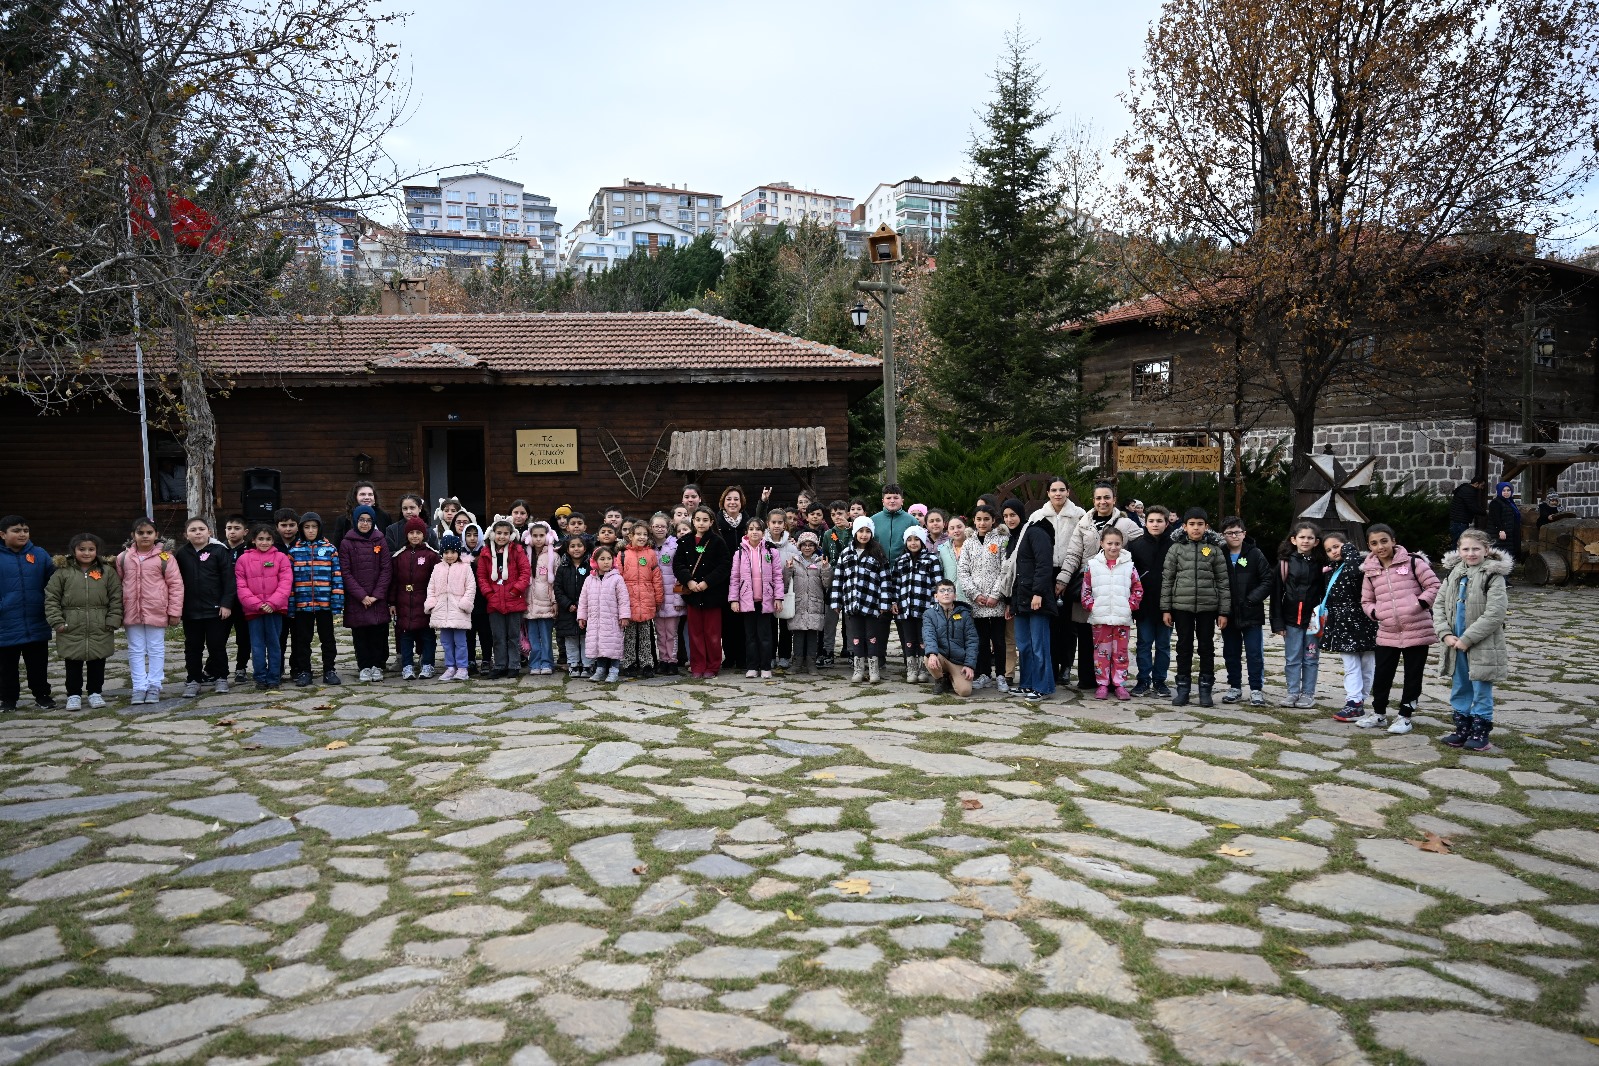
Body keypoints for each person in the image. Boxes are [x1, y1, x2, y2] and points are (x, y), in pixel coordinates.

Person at [1061, 481, 1143, 690]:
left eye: (1106, 497)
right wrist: (1062, 579)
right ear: (1093, 500)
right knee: (1086, 634)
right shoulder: (1084, 523)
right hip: (1088, 583)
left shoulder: (1125, 524)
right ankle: (1089, 678)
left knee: (1114, 639)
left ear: (1114, 499)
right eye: (1098, 498)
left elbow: (1144, 543)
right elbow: (1073, 554)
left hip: (1114, 588)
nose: (1102, 501)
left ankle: (1115, 681)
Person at [1434, 528, 1510, 751]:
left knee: (1481, 687)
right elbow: (1438, 605)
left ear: (1486, 550)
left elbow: (1496, 612)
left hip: (1481, 644)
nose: (1471, 553)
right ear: (1458, 550)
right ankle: (1462, 728)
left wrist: (1468, 638)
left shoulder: (1493, 576)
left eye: (1476, 548)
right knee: (1460, 686)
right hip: (1454, 644)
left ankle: (1480, 732)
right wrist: (1445, 633)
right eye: (1465, 549)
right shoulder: (1454, 574)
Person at [1359, 523, 1440, 733]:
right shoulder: (1370, 571)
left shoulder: (1413, 562)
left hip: (1417, 629)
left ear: (1394, 541)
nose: (1380, 546)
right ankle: (1378, 714)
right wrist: (1377, 614)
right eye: (1374, 543)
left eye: (1384, 541)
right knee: (1382, 674)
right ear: (1369, 546)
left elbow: (1434, 586)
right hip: (1387, 631)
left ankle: (1405, 716)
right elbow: (1366, 601)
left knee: (1413, 675)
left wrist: (1419, 605)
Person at [1161, 508, 1230, 707]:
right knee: (1184, 648)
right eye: (1191, 524)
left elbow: (1223, 581)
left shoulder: (1214, 549)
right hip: (1181, 607)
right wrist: (1166, 608)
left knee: (1206, 648)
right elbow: (1167, 579)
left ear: (1206, 527)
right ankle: (1183, 688)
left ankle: (1205, 689)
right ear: (1184, 526)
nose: (1196, 528)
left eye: (1200, 524)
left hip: (1208, 607)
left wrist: (1223, 611)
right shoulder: (1176, 549)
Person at [44, 532, 120, 711]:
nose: (86, 553)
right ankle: (74, 695)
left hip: (99, 624)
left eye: (91, 549)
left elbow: (116, 596)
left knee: (97, 662)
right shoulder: (63, 572)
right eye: (82, 549)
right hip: (71, 625)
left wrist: (113, 619)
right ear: (73, 550)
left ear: (97, 551)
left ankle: (95, 693)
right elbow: (51, 597)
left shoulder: (106, 571)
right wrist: (57, 621)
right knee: (73, 663)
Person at [118, 517, 184, 705]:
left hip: (157, 609)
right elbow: (119, 583)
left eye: (149, 533)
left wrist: (174, 611)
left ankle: (154, 684)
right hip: (132, 610)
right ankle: (139, 686)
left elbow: (176, 585)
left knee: (155, 648)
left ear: (156, 535)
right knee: (135, 649)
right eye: (140, 533)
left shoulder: (165, 558)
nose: (145, 536)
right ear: (133, 535)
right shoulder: (123, 558)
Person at [1030, 477, 1085, 686]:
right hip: (1046, 571)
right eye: (1054, 490)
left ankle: (1067, 665)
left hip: (1071, 572)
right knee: (1051, 621)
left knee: (1068, 623)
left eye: (1062, 490)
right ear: (1048, 493)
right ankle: (1051, 666)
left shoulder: (1080, 515)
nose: (1058, 494)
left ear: (1068, 492)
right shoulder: (1038, 516)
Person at [175, 517, 236, 697]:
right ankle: (193, 679)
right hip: (191, 611)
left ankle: (221, 677)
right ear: (186, 534)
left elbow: (229, 580)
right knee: (193, 646)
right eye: (193, 530)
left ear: (209, 532)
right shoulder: (181, 554)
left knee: (217, 645)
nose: (198, 532)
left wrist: (226, 604)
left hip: (215, 610)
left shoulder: (219, 551)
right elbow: (174, 581)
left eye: (201, 529)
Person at [1324, 531, 1380, 723]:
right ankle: (1353, 700)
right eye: (1329, 549)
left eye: (1337, 546)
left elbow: (1355, 572)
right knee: (1350, 664)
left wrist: (1349, 551)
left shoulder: (1359, 565)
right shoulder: (1331, 571)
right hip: (1342, 624)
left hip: (1364, 622)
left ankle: (1361, 698)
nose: (1333, 551)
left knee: (1367, 663)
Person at [1081, 526, 1144, 700]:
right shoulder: (1092, 566)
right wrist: (1091, 606)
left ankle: (1119, 684)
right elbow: (1085, 589)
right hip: (1100, 618)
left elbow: (1137, 588)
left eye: (1117, 544)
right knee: (1101, 653)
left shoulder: (1129, 566)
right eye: (1109, 543)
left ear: (1122, 545)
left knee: (1121, 653)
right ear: (1102, 543)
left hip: (1122, 618)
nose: (1113, 547)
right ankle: (1102, 683)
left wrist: (1130, 605)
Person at [1272, 521, 1329, 709]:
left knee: (1311, 657)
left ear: (1316, 542)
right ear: (1293, 540)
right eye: (1302, 537)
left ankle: (1308, 694)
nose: (1306, 541)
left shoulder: (1322, 565)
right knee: (1292, 658)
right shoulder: (1284, 563)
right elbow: (1277, 594)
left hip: (1313, 621)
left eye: (1310, 538)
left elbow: (1325, 593)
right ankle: (1293, 692)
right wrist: (1277, 623)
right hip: (1290, 619)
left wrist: (1325, 620)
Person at [832, 516, 893, 683]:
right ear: (855, 533)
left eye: (867, 531)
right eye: (861, 531)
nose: (864, 535)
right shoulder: (846, 553)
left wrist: (885, 603)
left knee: (872, 636)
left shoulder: (878, 554)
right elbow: (839, 579)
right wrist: (837, 602)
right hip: (852, 604)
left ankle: (874, 669)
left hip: (871, 603)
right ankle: (858, 669)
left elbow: (886, 580)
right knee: (856, 637)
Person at [1010, 496, 1059, 703]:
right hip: (1021, 600)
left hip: (1036, 598)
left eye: (1013, 515)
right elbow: (1015, 572)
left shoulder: (1036, 532)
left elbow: (1044, 564)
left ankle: (1044, 686)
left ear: (1023, 515)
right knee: (1024, 645)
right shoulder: (1017, 536)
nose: (1009, 519)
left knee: (1039, 645)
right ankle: (1027, 683)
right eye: (1005, 516)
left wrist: (1038, 593)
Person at [1217, 517, 1270, 706]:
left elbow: (1267, 580)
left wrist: (1251, 599)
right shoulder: (1219, 554)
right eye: (1229, 533)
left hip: (1251, 612)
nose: (1234, 536)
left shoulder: (1255, 554)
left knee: (1254, 652)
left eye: (1237, 532)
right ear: (1223, 536)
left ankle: (1256, 688)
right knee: (1231, 651)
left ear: (1244, 533)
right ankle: (1234, 687)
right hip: (1228, 613)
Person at [287, 511, 343, 686]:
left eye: (314, 527)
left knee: (327, 638)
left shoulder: (330, 549)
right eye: (307, 527)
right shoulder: (294, 551)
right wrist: (291, 603)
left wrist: (337, 601)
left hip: (324, 604)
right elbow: (288, 581)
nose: (310, 531)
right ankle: (305, 671)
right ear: (301, 529)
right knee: (303, 639)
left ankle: (329, 670)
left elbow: (337, 577)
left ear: (320, 528)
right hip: (302, 604)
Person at [235, 524, 293, 689]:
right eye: (260, 538)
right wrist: (258, 605)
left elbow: (285, 583)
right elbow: (241, 586)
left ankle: (274, 677)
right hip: (254, 611)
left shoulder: (281, 558)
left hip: (275, 610)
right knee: (257, 644)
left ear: (273, 540)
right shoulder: (243, 560)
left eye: (268, 539)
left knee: (274, 643)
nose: (264, 542)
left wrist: (272, 603)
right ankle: (260, 677)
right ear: (253, 540)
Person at [339, 504, 392, 682]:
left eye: (369, 520)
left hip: (377, 597)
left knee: (378, 633)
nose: (365, 523)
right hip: (357, 599)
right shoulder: (347, 542)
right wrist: (361, 595)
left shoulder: (380, 540)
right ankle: (364, 666)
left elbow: (386, 569)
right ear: (355, 521)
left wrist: (376, 594)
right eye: (361, 520)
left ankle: (377, 665)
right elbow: (345, 572)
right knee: (360, 635)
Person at [958, 504, 1009, 692]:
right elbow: (963, 570)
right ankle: (984, 674)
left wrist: (996, 595)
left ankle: (1001, 675)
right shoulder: (968, 542)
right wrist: (975, 594)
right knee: (981, 640)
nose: (982, 523)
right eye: (979, 519)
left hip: (996, 600)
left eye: (986, 519)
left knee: (998, 640)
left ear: (993, 520)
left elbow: (1005, 569)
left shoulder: (1002, 540)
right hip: (977, 601)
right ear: (974, 521)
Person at [675, 506, 730, 679]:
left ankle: (713, 666)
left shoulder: (718, 542)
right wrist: (689, 581)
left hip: (712, 595)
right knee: (695, 633)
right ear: (693, 521)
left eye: (705, 520)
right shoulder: (684, 542)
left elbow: (724, 566)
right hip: (693, 595)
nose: (701, 523)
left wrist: (707, 582)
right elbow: (678, 565)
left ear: (711, 522)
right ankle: (697, 665)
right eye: (698, 519)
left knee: (712, 633)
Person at [730, 517, 784, 680]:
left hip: (765, 600)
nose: (755, 532)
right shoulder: (739, 553)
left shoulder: (771, 551)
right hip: (747, 600)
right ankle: (752, 666)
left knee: (765, 636)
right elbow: (735, 577)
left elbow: (777, 576)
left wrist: (778, 597)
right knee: (750, 636)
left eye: (758, 529)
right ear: (746, 532)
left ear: (763, 532)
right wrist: (734, 599)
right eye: (751, 529)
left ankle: (766, 666)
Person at [1129, 506, 1175, 698]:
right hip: (1144, 604)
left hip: (1167, 605)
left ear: (1167, 522)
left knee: (1163, 645)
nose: (1155, 524)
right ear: (1145, 523)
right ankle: (1143, 679)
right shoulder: (1135, 545)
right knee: (1144, 643)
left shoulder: (1175, 545)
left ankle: (1160, 680)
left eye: (1159, 521)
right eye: (1151, 521)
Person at [477, 519, 529, 679]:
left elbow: (525, 572)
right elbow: (482, 577)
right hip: (494, 602)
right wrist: (489, 594)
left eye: (506, 533)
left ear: (511, 535)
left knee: (513, 636)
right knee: (498, 636)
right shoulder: (485, 553)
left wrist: (515, 590)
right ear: (493, 534)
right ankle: (500, 665)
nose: (502, 536)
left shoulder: (517, 551)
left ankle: (514, 665)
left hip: (513, 600)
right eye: (499, 533)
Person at [892, 526, 944, 683]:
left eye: (916, 540)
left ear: (922, 541)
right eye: (909, 540)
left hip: (924, 608)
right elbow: (895, 584)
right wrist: (894, 601)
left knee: (923, 639)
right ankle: (911, 668)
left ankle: (923, 668)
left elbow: (938, 583)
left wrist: (936, 604)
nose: (913, 543)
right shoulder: (900, 561)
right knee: (908, 639)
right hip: (905, 608)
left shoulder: (931, 559)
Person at [390, 516, 439, 680]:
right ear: (407, 534)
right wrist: (392, 602)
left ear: (424, 534)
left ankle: (428, 664)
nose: (415, 536)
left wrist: (435, 602)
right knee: (405, 636)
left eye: (418, 532)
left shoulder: (432, 555)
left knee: (427, 636)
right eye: (411, 532)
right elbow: (394, 581)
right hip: (404, 602)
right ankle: (407, 666)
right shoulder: (399, 556)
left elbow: (436, 581)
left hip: (425, 602)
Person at [426, 533, 477, 680]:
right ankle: (450, 667)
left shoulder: (465, 568)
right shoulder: (437, 568)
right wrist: (432, 603)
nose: (450, 555)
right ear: (442, 553)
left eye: (453, 552)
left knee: (460, 642)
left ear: (458, 552)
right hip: (442, 611)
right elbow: (431, 587)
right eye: (446, 552)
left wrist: (464, 603)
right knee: (446, 641)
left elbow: (471, 587)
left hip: (459, 611)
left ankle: (462, 668)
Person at [578, 544, 630, 683]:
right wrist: (582, 616)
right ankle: (600, 670)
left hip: (612, 620)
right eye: (602, 559)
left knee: (613, 645)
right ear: (595, 561)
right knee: (599, 645)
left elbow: (623, 599)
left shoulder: (617, 579)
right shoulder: (589, 580)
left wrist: (624, 616)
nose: (606, 562)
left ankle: (614, 670)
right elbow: (583, 600)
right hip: (595, 620)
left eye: (609, 559)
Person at [619, 522, 664, 678]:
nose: (642, 537)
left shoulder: (650, 554)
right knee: (629, 636)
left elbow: (656, 578)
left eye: (645, 534)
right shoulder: (622, 555)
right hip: (629, 602)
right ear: (631, 536)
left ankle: (647, 664)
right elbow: (618, 581)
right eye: (638, 534)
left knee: (646, 636)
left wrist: (658, 599)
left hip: (646, 601)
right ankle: (629, 663)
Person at [785, 532, 831, 675]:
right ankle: (797, 662)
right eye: (804, 545)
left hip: (814, 604)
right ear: (799, 546)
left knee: (812, 635)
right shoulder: (794, 561)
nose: (807, 547)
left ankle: (811, 663)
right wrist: (788, 570)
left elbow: (826, 584)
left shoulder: (819, 562)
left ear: (815, 547)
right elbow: (785, 583)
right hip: (799, 604)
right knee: (798, 635)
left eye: (811, 545)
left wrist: (826, 569)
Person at [923, 579, 979, 696]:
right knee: (928, 658)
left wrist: (969, 665)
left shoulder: (965, 614)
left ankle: (950, 677)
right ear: (936, 596)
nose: (946, 593)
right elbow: (929, 636)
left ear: (955, 596)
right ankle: (940, 679)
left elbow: (972, 641)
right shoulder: (929, 614)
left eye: (949, 590)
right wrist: (932, 654)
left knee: (965, 692)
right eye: (942, 591)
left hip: (958, 660)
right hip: (941, 656)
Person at [555, 535, 592, 678]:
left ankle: (587, 664)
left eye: (579, 546)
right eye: (572, 546)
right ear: (567, 549)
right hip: (567, 611)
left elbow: (593, 587)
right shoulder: (563, 568)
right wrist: (568, 604)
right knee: (570, 638)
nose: (576, 549)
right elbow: (557, 588)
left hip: (586, 609)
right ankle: (574, 664)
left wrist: (582, 605)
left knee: (585, 637)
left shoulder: (590, 566)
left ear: (585, 547)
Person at [651, 514, 684, 676]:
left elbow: (679, 574)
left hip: (672, 596)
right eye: (656, 526)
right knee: (660, 632)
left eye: (662, 526)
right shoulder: (648, 547)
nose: (659, 529)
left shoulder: (675, 545)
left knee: (672, 632)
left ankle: (672, 660)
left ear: (668, 527)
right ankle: (662, 659)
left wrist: (679, 598)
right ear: (651, 527)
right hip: (656, 598)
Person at [524, 521, 558, 676]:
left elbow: (556, 581)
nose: (538, 539)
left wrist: (555, 601)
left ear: (548, 536)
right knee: (532, 637)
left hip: (546, 603)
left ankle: (547, 662)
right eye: (535, 536)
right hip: (529, 604)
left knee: (546, 636)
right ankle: (535, 663)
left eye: (541, 535)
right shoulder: (525, 554)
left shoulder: (553, 556)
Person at [222, 514, 252, 683]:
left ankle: (241, 667)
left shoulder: (249, 551)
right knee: (219, 637)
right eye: (229, 528)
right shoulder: (219, 550)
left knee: (243, 637)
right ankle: (218, 668)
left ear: (245, 531)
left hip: (243, 602)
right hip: (224, 602)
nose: (232, 532)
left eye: (236, 528)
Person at [331, 481, 391, 549]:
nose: (367, 497)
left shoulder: (384, 516)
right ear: (355, 497)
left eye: (370, 494)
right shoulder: (343, 520)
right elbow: (337, 547)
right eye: (362, 494)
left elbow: (389, 543)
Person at [872, 483, 916, 565]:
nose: (892, 501)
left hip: (904, 568)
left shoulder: (912, 521)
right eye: (888, 498)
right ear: (883, 501)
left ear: (902, 501)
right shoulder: (873, 520)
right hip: (878, 567)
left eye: (896, 498)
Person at [1487, 482, 1522, 563]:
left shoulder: (1510, 502)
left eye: (1508, 490)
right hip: (1500, 533)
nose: (1506, 492)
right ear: (1499, 491)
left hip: (1509, 533)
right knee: (1500, 554)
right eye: (1504, 491)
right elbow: (1496, 519)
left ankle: (1507, 572)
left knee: (1508, 554)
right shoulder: (1496, 503)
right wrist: (1501, 530)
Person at [1447, 475, 1487, 542]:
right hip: (1459, 523)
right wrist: (1485, 512)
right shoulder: (1468, 491)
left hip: (1458, 522)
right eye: (1481, 485)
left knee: (1458, 543)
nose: (1482, 488)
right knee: (1459, 544)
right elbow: (1473, 507)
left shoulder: (1466, 489)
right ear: (1476, 483)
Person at [938, 515, 967, 600]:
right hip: (950, 598)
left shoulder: (973, 546)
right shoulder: (943, 549)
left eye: (959, 527)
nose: (956, 531)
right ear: (948, 532)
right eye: (952, 528)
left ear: (966, 527)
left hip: (970, 597)